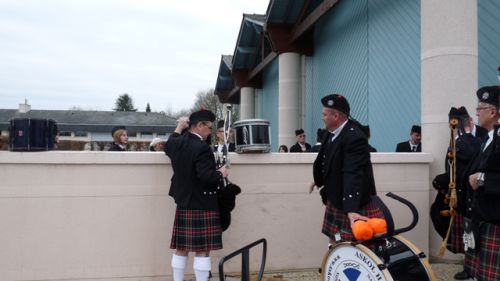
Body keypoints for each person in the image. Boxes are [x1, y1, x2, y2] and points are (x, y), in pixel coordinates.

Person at [165, 110, 228, 281]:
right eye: (209, 128)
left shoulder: (178, 142)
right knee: (202, 250)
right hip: (202, 202)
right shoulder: (201, 147)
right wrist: (221, 173)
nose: (210, 132)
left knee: (181, 249)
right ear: (199, 126)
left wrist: (179, 127)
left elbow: (168, 145)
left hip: (184, 201)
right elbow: (206, 177)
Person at [312, 94, 382, 244]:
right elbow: (327, 160)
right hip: (335, 197)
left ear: (335, 116)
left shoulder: (354, 137)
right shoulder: (332, 132)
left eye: (324, 114)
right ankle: (333, 265)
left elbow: (353, 172)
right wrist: (318, 179)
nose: (322, 118)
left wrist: (351, 209)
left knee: (354, 246)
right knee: (334, 240)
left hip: (351, 200)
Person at [430, 106, 485, 280]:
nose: (452, 127)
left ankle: (477, 269)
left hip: (477, 194)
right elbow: (452, 164)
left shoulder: (483, 134)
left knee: (477, 234)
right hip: (459, 193)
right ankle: (467, 266)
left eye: (456, 123)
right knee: (464, 232)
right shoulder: (455, 136)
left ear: (469, 121)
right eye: (451, 124)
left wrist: (464, 136)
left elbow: (474, 162)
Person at [462, 86, 500, 281]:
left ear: (493, 112)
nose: (476, 112)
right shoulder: (488, 137)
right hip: (481, 218)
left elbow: (483, 176)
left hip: (495, 220)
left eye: (480, 108)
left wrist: (483, 179)